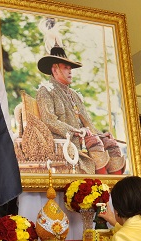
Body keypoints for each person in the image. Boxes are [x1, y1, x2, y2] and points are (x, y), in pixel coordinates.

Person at [36, 44, 125, 175]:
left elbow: (87, 123)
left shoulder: (74, 95)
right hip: (65, 140)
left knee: (111, 144)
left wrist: (100, 134)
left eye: (70, 68)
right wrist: (76, 131)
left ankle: (116, 184)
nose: (70, 71)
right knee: (95, 143)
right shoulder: (45, 91)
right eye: (66, 67)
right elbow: (49, 121)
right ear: (55, 69)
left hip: (84, 138)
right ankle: (102, 184)